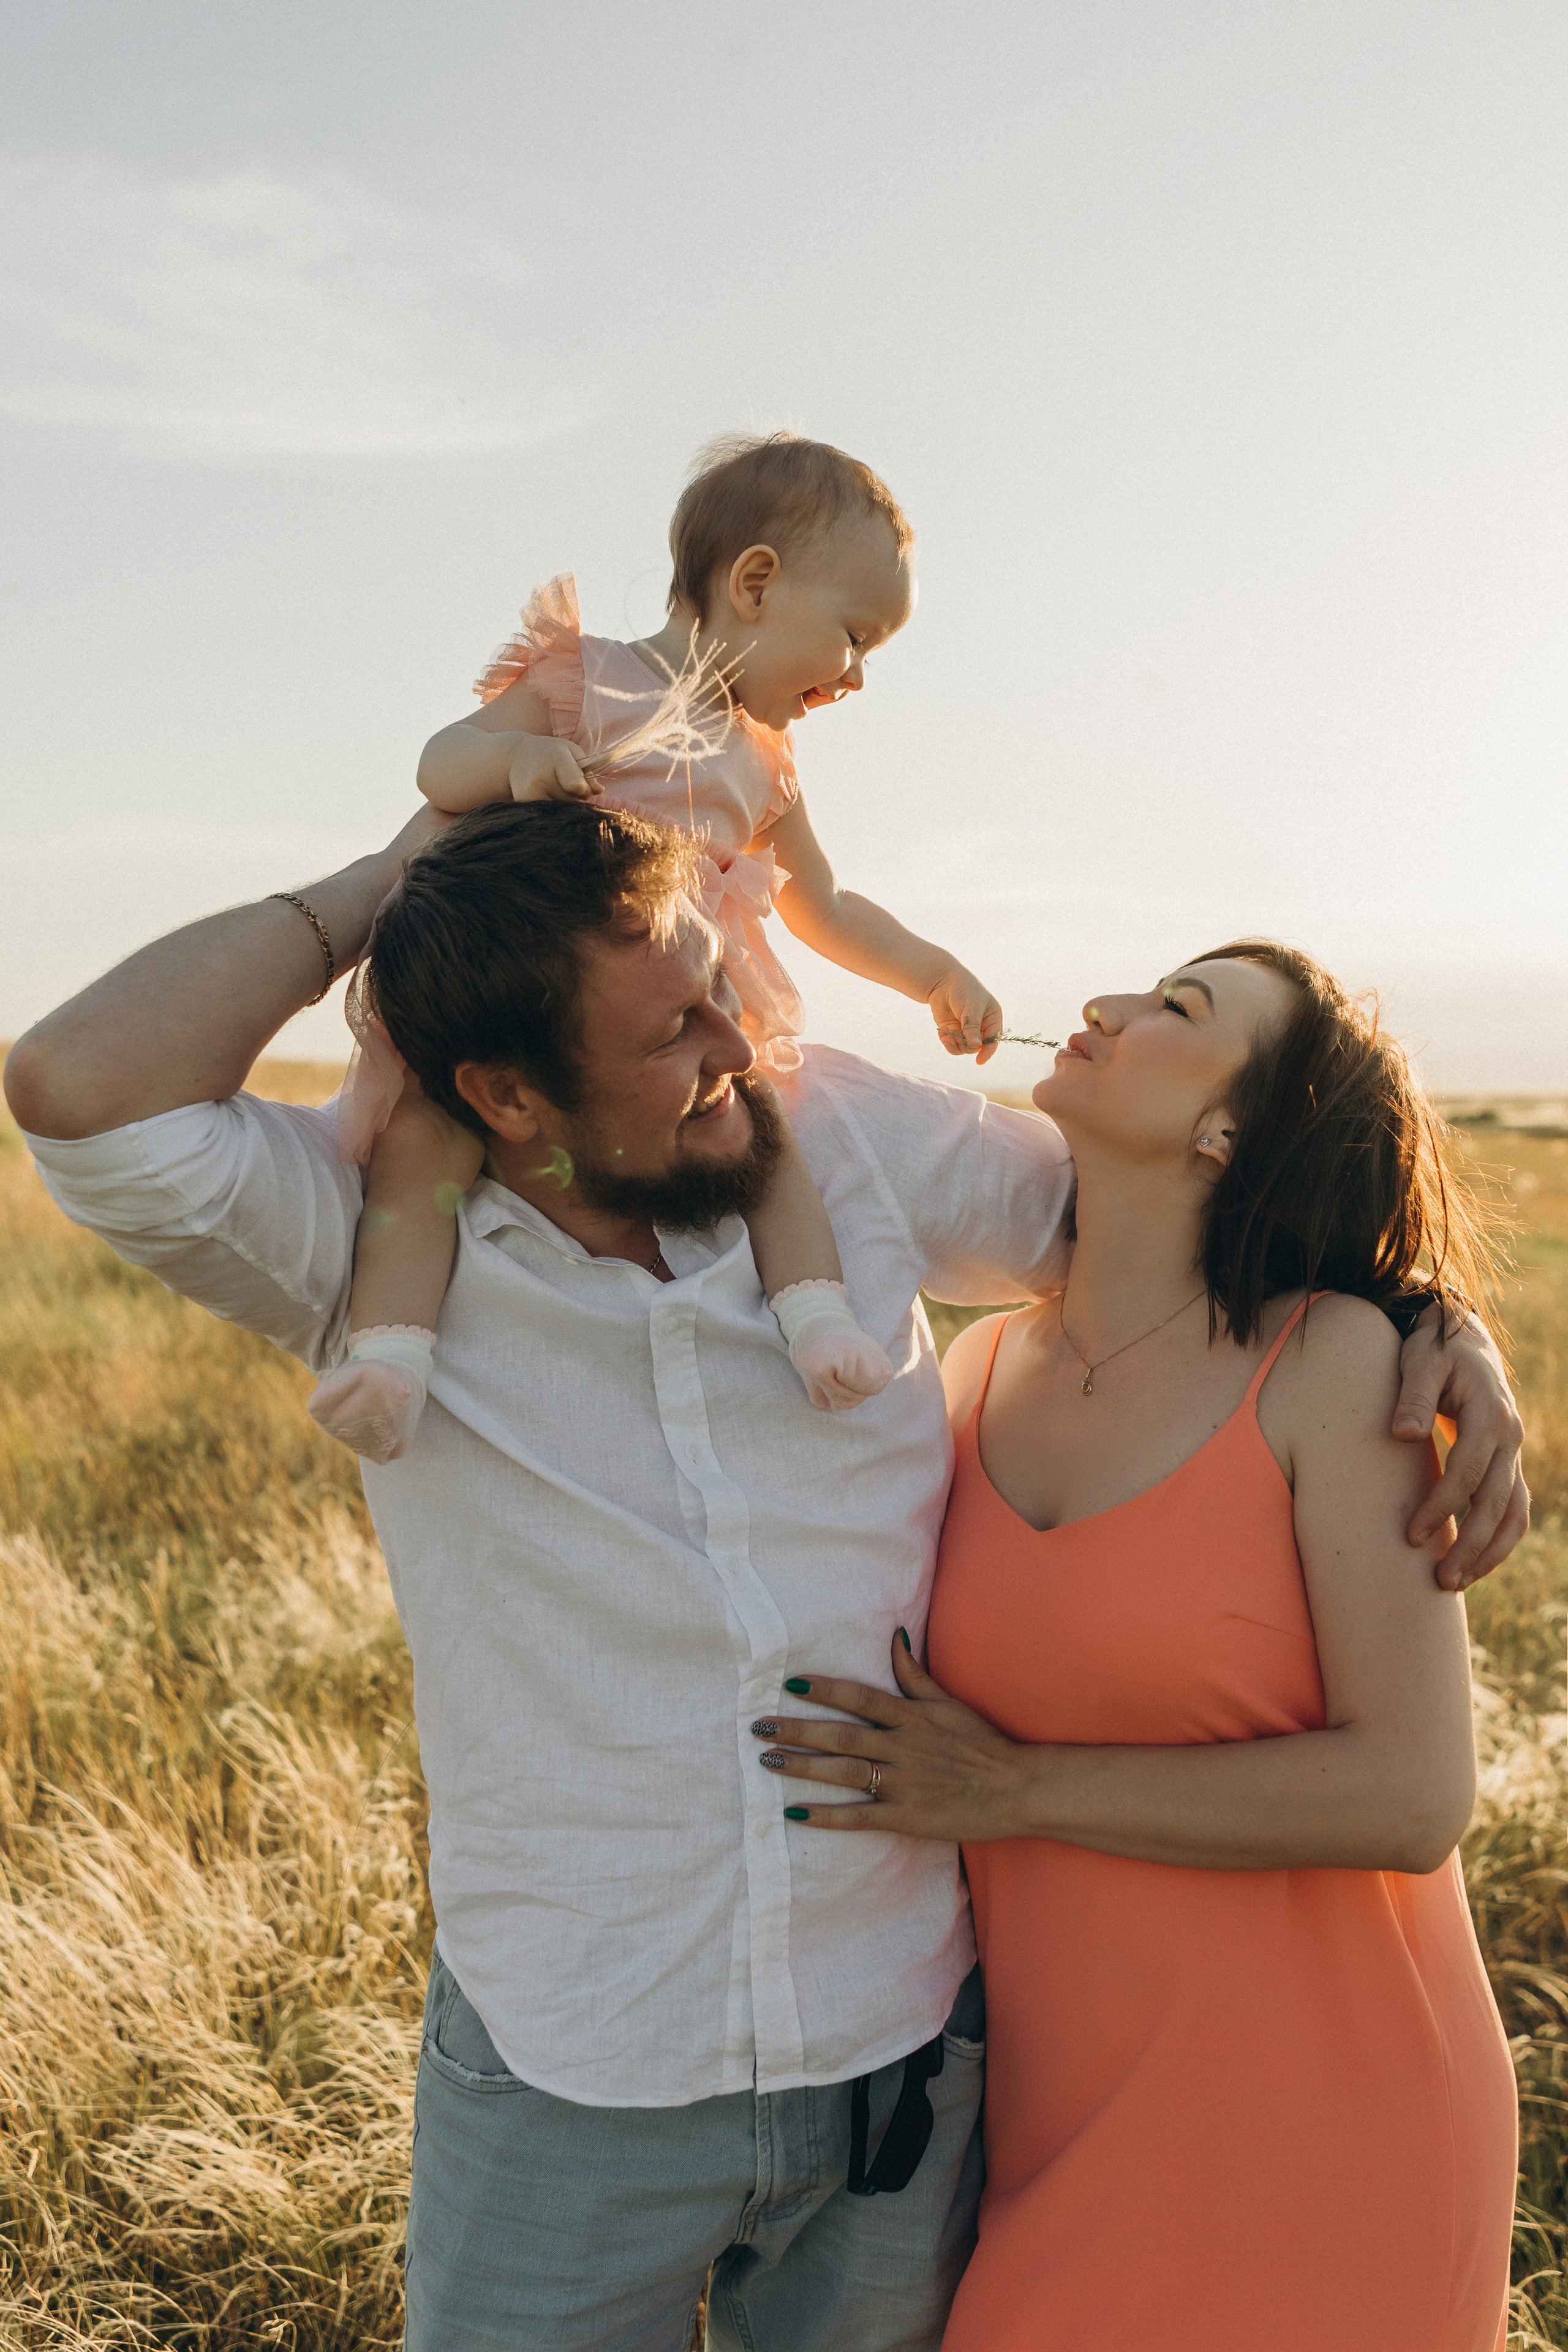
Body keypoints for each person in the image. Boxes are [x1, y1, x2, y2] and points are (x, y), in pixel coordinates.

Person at [4, 811, 1525, 2352]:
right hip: (577, 2064)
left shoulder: (846, 1135)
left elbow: (1223, 1211)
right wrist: (386, 885)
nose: (741, 1040)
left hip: (900, 2067)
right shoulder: (353, 1240)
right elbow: (76, 1087)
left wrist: (1428, 1325)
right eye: (674, 1026)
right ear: (505, 1093)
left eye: (717, 984)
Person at [753, 943, 1521, 2352]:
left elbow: (1411, 1798)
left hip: (1334, 2128)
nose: (1104, 1007)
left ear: (1230, 1130)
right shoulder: (969, 1374)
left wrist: (1014, 1790)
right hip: (1055, 2137)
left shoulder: (1336, 1365)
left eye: (1177, 1009)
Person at [310, 431, 1006, 1464]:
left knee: (762, 1141)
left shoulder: (766, 765)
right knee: (430, 1140)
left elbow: (825, 902)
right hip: (529, 986)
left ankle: (815, 1321)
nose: (858, 676)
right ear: (756, 583)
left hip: (690, 1015)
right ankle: (391, 1358)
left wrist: (933, 973)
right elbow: (438, 762)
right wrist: (519, 759)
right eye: (855, 636)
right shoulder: (583, 680)